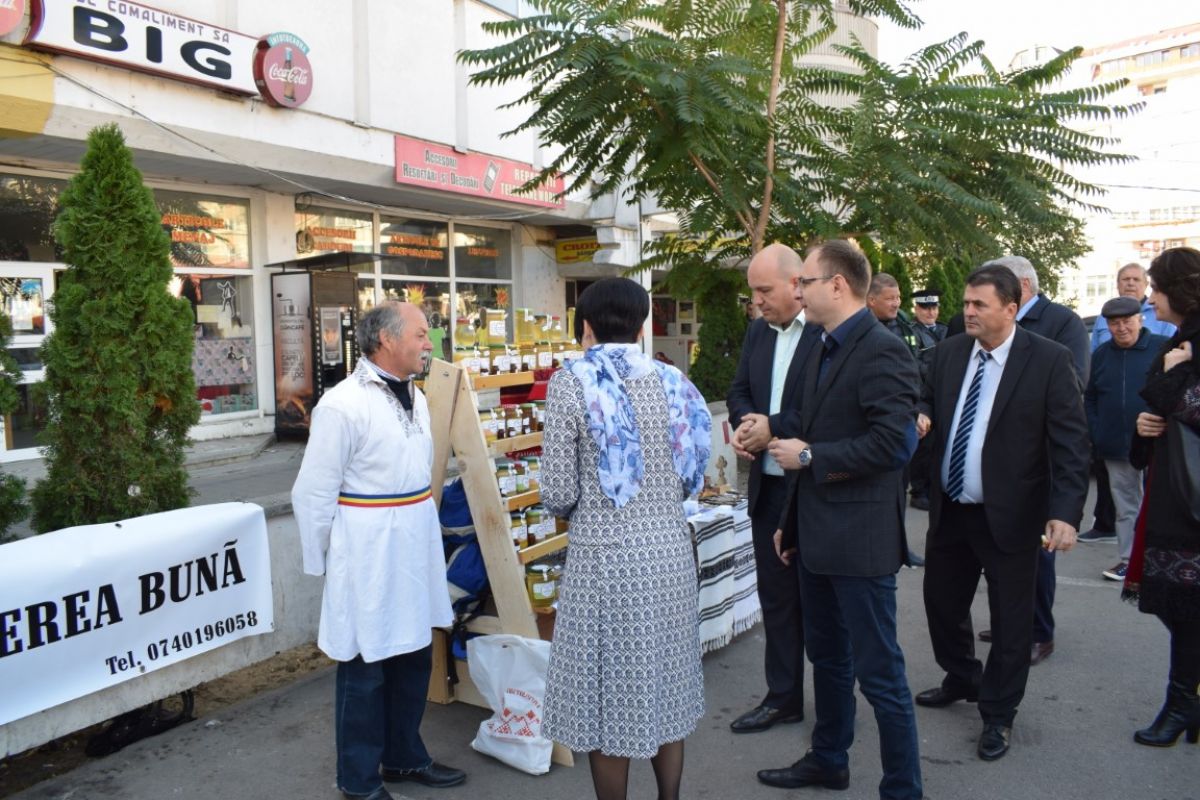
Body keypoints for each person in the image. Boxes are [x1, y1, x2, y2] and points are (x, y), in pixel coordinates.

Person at [757, 240, 922, 799]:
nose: (797, 290)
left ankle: (903, 788)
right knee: (826, 658)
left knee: (880, 674)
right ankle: (829, 760)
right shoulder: (820, 344)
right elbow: (809, 419)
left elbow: (893, 445)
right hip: (815, 536)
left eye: (805, 281)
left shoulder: (883, 349)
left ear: (837, 285)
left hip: (860, 543)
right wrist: (789, 520)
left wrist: (809, 456)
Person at [540, 277, 711, 800]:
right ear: (641, 326)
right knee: (665, 688)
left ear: (587, 325)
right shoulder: (673, 380)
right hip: (669, 555)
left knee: (608, 701)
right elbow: (693, 471)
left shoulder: (571, 382)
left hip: (605, 562)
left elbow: (558, 492)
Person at [914, 264, 1089, 761]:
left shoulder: (1048, 360)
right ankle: (962, 676)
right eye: (966, 303)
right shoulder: (949, 352)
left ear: (1011, 309)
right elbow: (926, 396)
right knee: (941, 605)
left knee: (1012, 622)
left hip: (1013, 514)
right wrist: (920, 411)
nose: (967, 312)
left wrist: (1065, 513)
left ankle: (998, 713)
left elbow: (1071, 443)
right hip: (952, 510)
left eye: (979, 305)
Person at [291, 301, 465, 800]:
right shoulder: (342, 404)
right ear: (387, 339)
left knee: (413, 655)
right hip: (367, 551)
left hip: (413, 544)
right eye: (421, 333)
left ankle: (404, 757)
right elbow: (313, 492)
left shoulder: (419, 398)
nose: (428, 343)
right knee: (365, 665)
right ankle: (359, 780)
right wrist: (327, 561)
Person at [974, 255, 1089, 665]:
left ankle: (1039, 632)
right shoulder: (979, 329)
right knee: (998, 557)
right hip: (991, 465)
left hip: (1035, 465)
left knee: (1036, 558)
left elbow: (1074, 383)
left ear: (1022, 286)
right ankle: (1010, 622)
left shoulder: (1062, 322)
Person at [726, 243, 821, 733]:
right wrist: (747, 425)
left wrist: (774, 428)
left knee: (822, 607)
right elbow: (739, 390)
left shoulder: (827, 331)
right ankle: (783, 697)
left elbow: (827, 410)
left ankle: (833, 708)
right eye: (752, 292)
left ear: (796, 284)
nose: (756, 301)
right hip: (768, 490)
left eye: (763, 290)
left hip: (816, 490)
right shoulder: (758, 332)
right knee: (778, 602)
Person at [1126, 246, 1200, 747]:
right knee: (1180, 607)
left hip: (1191, 501)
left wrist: (1171, 377)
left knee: (1189, 607)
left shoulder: (1186, 346)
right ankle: (1186, 703)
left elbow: (1180, 401)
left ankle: (1182, 704)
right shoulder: (1179, 341)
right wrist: (1145, 426)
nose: (1150, 298)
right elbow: (1158, 410)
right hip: (1173, 490)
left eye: (1156, 288)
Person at [1082, 263, 1176, 544]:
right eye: (1114, 323)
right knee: (1125, 508)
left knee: (1161, 506)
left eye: (1127, 321)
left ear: (1140, 319)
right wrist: (1098, 430)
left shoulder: (1163, 347)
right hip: (1115, 445)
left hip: (1158, 442)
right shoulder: (1101, 354)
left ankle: (1151, 559)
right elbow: (1091, 396)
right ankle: (1127, 560)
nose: (1121, 328)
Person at [865, 273, 925, 566]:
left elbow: (914, 373)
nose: (896, 303)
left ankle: (899, 546)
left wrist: (918, 411)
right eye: (890, 298)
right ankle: (881, 548)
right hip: (876, 429)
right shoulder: (864, 332)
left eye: (898, 297)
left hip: (904, 420)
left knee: (899, 489)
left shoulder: (902, 325)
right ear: (871, 300)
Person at [908, 289, 948, 511]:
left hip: (944, 395)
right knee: (923, 446)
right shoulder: (912, 332)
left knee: (939, 445)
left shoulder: (945, 330)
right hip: (922, 395)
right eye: (925, 308)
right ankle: (919, 491)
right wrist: (939, 370)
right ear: (916, 309)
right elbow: (913, 363)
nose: (930, 312)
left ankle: (933, 488)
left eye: (933, 307)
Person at [1090, 262, 1177, 350]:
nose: (1131, 283)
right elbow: (1093, 352)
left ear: (1146, 284)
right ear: (1117, 284)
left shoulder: (1161, 314)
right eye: (1126, 279)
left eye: (1136, 279)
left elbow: (1172, 349)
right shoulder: (1104, 317)